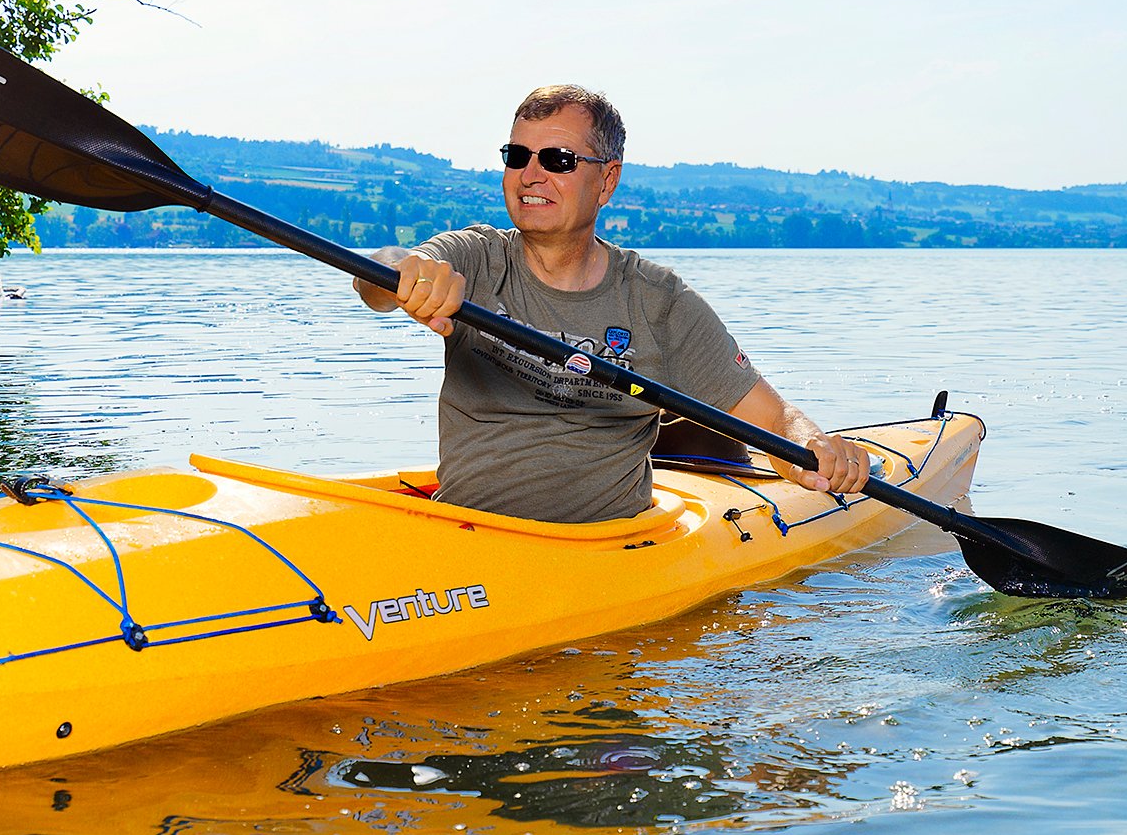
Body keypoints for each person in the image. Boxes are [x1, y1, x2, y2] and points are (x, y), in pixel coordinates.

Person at [356, 82, 874, 525]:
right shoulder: (476, 257)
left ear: (607, 180)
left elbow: (774, 419)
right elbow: (377, 280)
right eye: (517, 156)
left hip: (612, 551)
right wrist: (406, 274)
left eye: (557, 160)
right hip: (473, 537)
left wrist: (814, 448)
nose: (530, 175)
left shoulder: (659, 302)